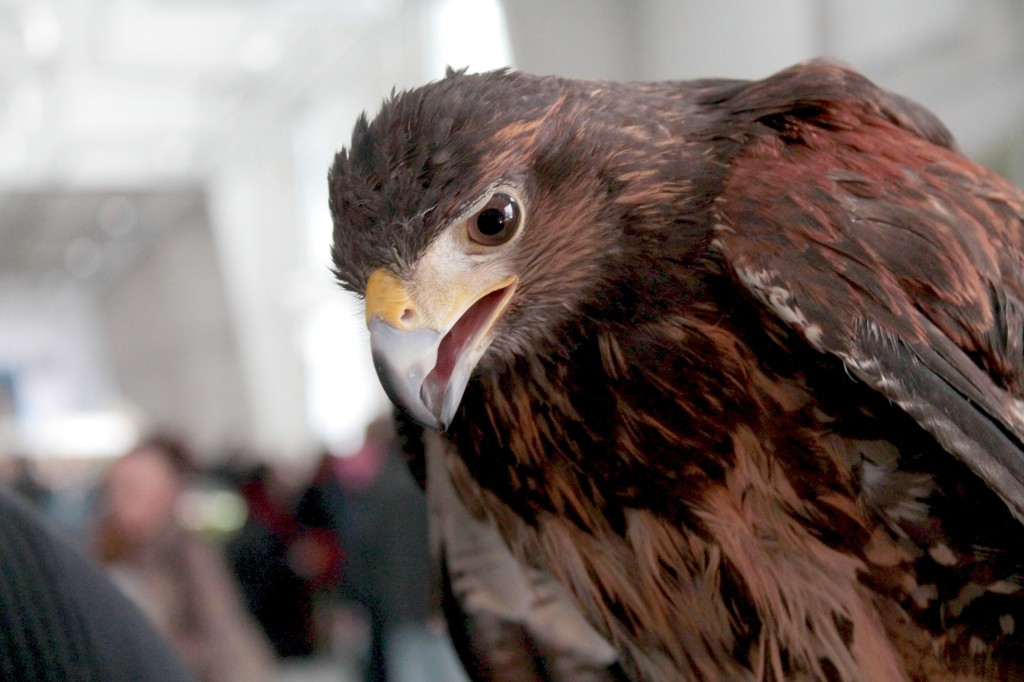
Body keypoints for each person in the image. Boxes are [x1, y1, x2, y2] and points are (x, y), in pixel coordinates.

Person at [93, 435, 276, 682]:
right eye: (113, 488)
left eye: (131, 489)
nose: (117, 500)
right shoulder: (105, 551)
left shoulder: (189, 552)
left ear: (165, 494)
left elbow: (225, 642)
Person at [0, 486, 195, 681]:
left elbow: (219, 633)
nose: (123, 502)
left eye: (134, 491)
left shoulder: (186, 552)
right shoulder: (98, 542)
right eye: (119, 490)